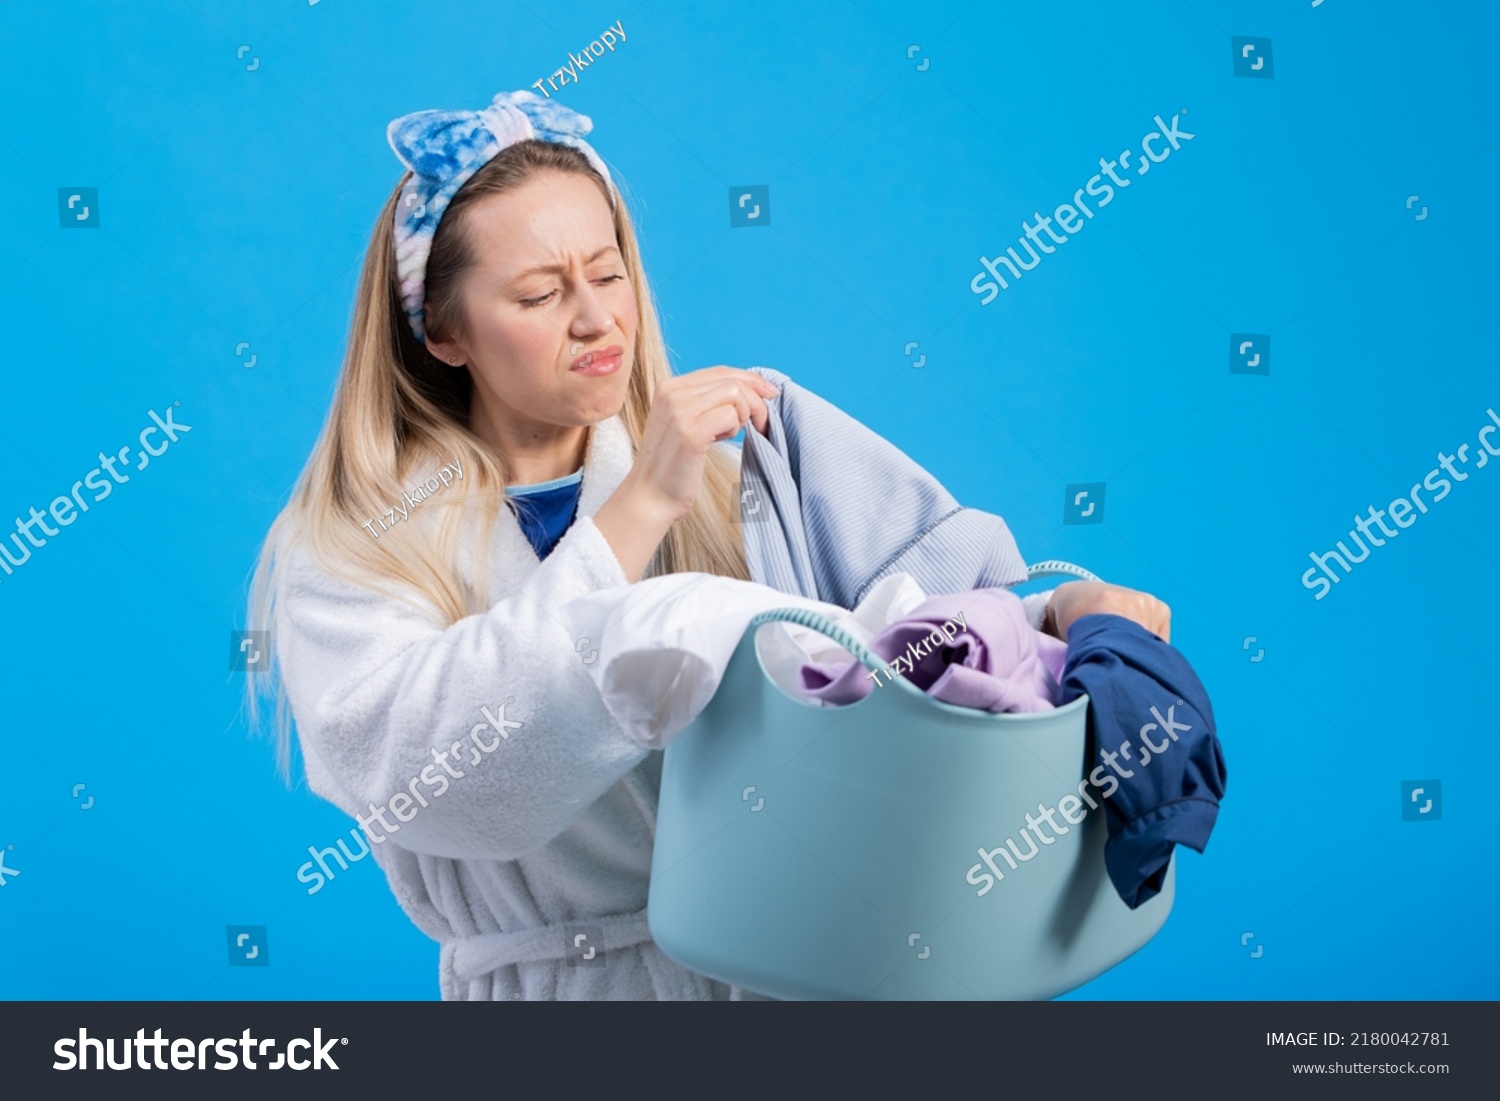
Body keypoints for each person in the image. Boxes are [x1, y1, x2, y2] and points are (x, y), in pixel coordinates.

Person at [246, 89, 1170, 1001]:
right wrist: (639, 510)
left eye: (609, 275)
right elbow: (417, 770)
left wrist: (1060, 612)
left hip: (790, 978)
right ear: (443, 332)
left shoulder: (741, 485)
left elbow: (899, 656)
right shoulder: (356, 545)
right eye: (538, 293)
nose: (595, 318)